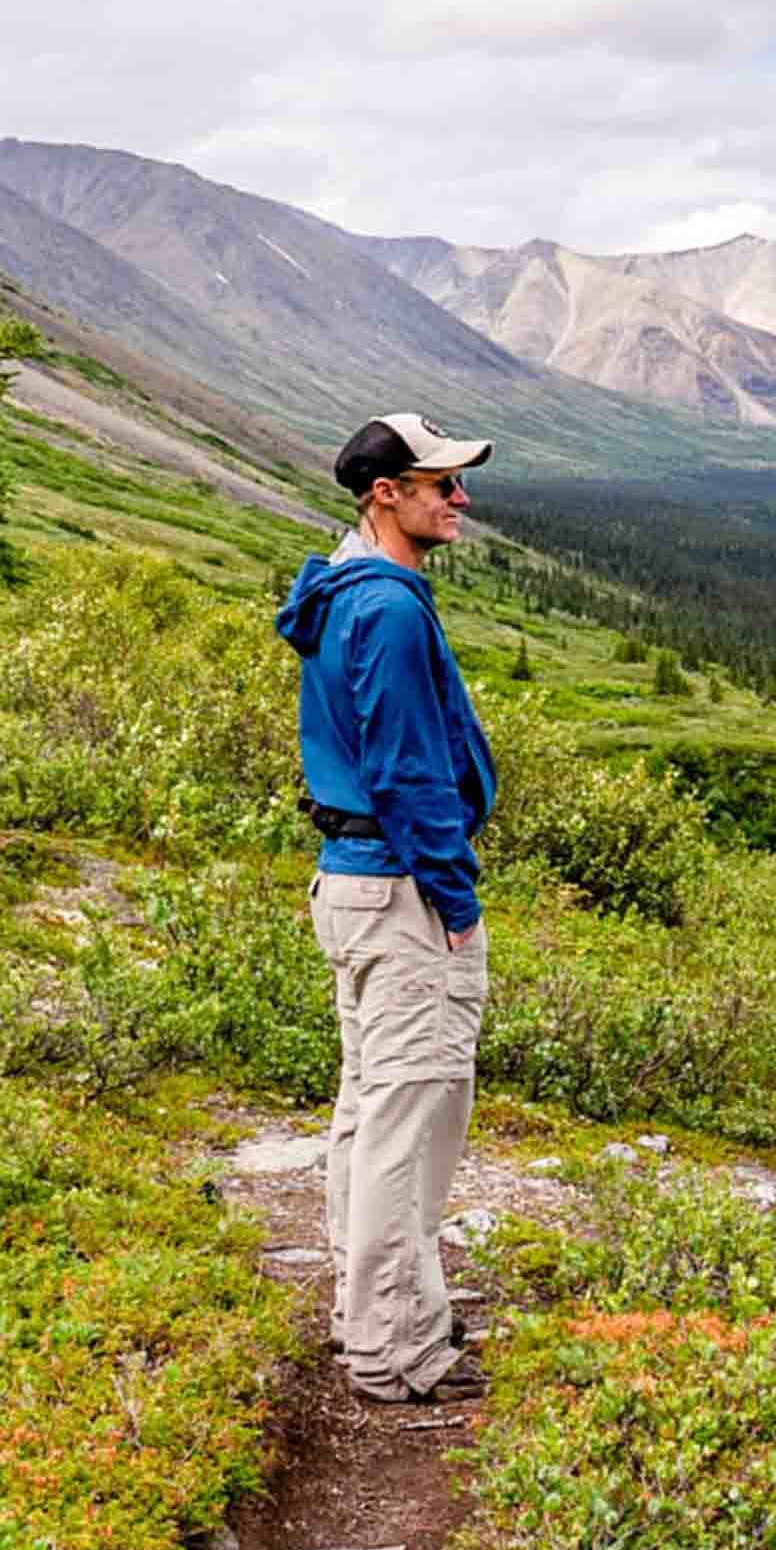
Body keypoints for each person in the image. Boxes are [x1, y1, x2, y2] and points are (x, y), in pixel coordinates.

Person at [277, 413, 499, 1406]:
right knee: (411, 1123)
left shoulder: (339, 589)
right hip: (403, 892)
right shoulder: (390, 609)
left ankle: (364, 1314)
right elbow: (408, 771)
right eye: (441, 484)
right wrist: (454, 899)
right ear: (387, 493)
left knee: (370, 1111)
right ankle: (397, 1349)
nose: (459, 498)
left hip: (351, 881)